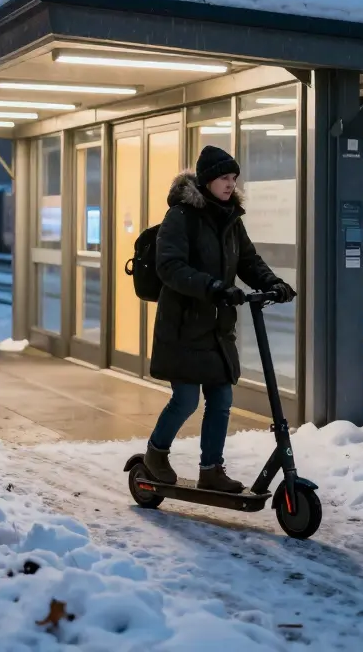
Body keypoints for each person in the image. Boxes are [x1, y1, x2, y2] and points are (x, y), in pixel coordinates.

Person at [144, 146, 296, 493]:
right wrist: (212, 287)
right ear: (207, 179)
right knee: (185, 399)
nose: (231, 184)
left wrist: (272, 283)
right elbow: (169, 266)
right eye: (224, 178)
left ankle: (211, 469)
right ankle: (155, 453)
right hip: (182, 326)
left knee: (221, 399)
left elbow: (248, 259)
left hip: (216, 327)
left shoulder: (231, 220)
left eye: (233, 179)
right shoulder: (181, 216)